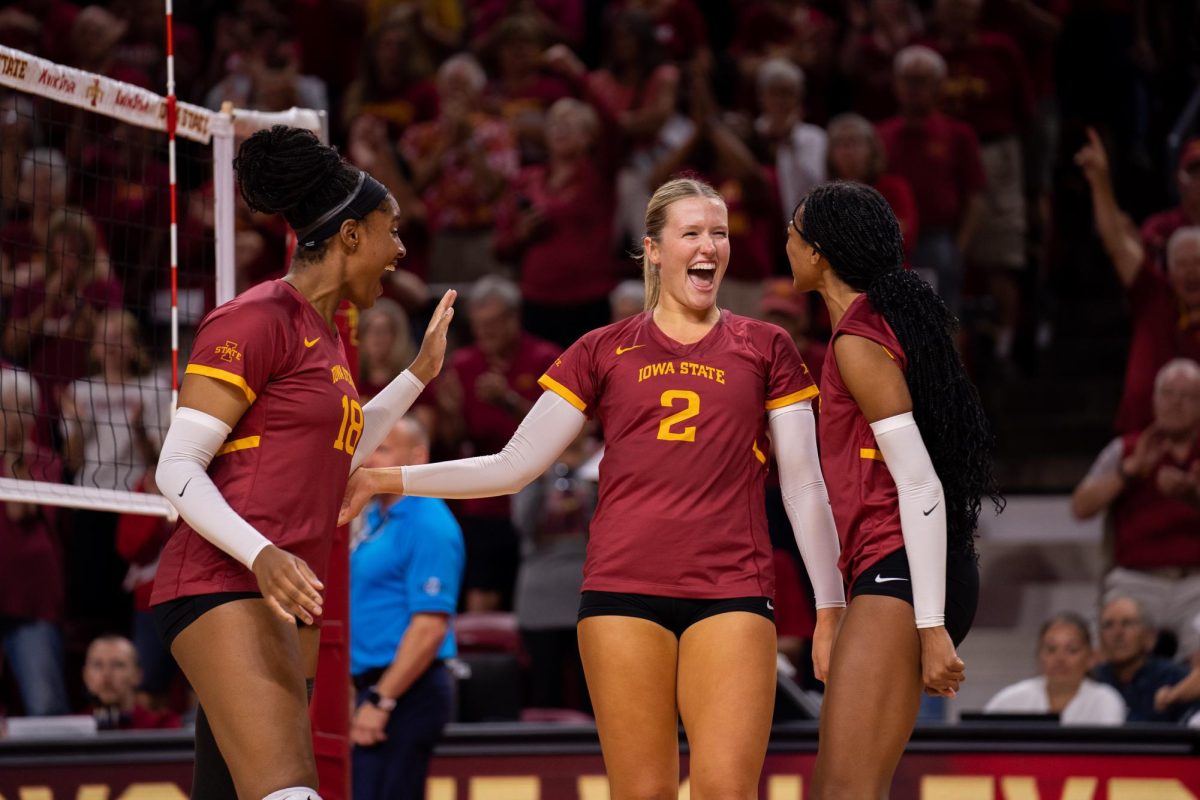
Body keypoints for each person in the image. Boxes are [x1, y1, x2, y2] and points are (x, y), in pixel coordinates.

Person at [340, 177, 845, 799]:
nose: (709, 246)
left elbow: (803, 485)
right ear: (654, 249)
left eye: (718, 233)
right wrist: (383, 478)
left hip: (732, 587)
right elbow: (514, 464)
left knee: (726, 792)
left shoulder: (767, 345)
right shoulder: (601, 349)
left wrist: (831, 608)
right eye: (691, 233)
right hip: (621, 591)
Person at [148, 126, 456, 800]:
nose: (401, 250)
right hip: (227, 580)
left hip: (285, 590)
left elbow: (342, 443)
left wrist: (416, 376)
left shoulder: (325, 339)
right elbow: (174, 468)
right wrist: (262, 555)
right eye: (391, 230)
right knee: (289, 793)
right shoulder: (254, 319)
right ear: (350, 237)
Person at [785, 181, 1001, 796]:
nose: (787, 243)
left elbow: (918, 480)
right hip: (894, 574)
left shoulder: (858, 340)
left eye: (795, 231)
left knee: (845, 792)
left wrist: (930, 627)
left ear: (820, 252)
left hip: (903, 576)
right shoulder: (865, 329)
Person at [349, 416, 462, 800]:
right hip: (372, 685)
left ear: (418, 457)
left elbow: (430, 626)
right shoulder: (375, 517)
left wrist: (382, 700)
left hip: (407, 689)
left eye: (382, 449)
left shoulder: (428, 522)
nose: (370, 460)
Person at [431, 276, 560, 612]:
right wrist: (451, 413)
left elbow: (565, 431)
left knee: (536, 601)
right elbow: (454, 440)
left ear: (513, 318)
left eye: (492, 325)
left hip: (537, 501)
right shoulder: (463, 365)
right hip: (484, 500)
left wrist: (509, 401)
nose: (484, 334)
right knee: (480, 597)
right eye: (478, 326)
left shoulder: (546, 358)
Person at [1070, 358, 1200, 657]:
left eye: (1187, 396)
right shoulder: (1125, 449)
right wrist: (1129, 473)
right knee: (1103, 646)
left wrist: (1194, 496)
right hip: (1136, 581)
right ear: (1154, 399)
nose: (1176, 403)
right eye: (1168, 394)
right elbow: (1080, 507)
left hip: (1196, 582)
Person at [1076, 126, 1200, 433]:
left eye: (1198, 264)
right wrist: (1100, 180)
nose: (1191, 272)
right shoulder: (1154, 294)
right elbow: (1117, 244)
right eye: (1182, 264)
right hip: (1138, 446)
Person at [877, 45, 986, 315]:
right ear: (895, 84)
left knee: (942, 319)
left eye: (921, 81)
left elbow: (976, 196)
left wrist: (960, 247)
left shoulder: (958, 134)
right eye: (907, 80)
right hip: (889, 240)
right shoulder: (881, 134)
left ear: (938, 86)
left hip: (937, 239)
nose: (913, 88)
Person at [0, 365, 69, 716]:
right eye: (4, 408)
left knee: (45, 706)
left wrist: (13, 452)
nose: (10, 417)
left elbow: (18, 510)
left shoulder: (46, 461)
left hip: (32, 601)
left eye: (18, 408)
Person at [984, 613, 1126, 726]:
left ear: (1091, 657)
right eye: (1051, 649)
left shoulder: (1105, 701)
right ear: (1039, 655)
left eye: (1072, 650)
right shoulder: (1009, 701)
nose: (1060, 659)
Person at [1093, 596, 1195, 723]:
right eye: (1108, 625)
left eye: (1127, 623)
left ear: (1149, 637)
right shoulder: (1091, 680)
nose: (1117, 634)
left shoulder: (1176, 680)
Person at [84, 634, 181, 730]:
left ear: (137, 675)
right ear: (86, 675)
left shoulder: (163, 725)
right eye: (97, 665)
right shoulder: (72, 727)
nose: (106, 674)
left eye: (118, 665)